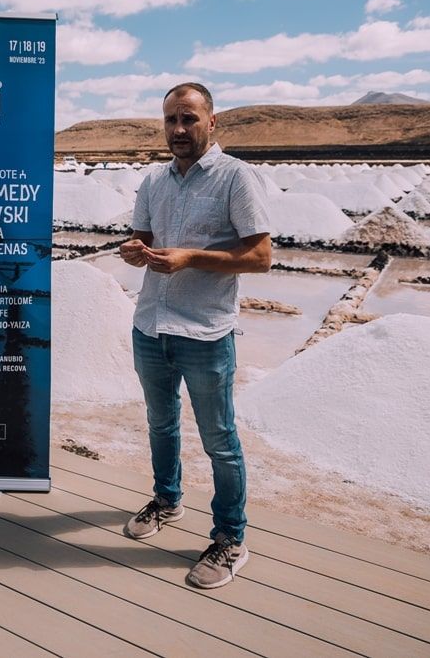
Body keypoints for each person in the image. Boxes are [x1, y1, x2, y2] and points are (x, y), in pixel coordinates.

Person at [118, 82, 272, 590]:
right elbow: (144, 237)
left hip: (204, 332)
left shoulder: (236, 179)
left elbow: (260, 257)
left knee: (219, 440)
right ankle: (167, 499)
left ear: (212, 122)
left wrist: (190, 257)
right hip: (150, 325)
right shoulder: (154, 182)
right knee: (161, 424)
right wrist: (135, 249)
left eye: (188, 119)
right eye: (170, 121)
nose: (178, 130)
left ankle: (231, 537)